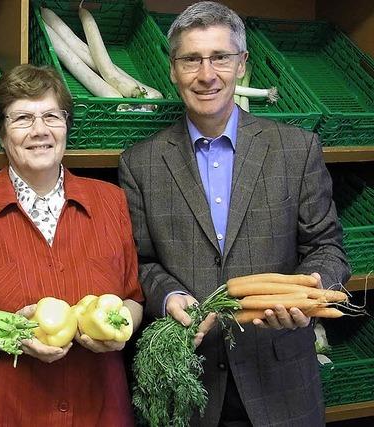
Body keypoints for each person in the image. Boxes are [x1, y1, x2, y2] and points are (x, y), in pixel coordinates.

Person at [119, 2, 350, 426]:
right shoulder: (140, 163)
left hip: (281, 377)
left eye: (220, 57)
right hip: (188, 380)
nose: (207, 74)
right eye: (191, 59)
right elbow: (141, 260)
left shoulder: (296, 149)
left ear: (241, 64)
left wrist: (309, 292)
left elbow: (327, 247)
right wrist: (170, 296)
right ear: (173, 70)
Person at [0, 64, 144, 427]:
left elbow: (133, 298)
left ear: (66, 125)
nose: (40, 130)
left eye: (51, 116)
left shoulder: (111, 201)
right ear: (1, 132)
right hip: (5, 409)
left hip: (100, 407)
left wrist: (120, 329)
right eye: (23, 119)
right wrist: (8, 334)